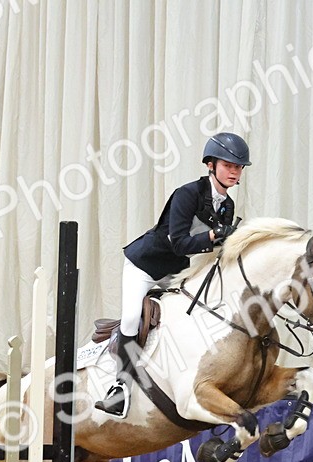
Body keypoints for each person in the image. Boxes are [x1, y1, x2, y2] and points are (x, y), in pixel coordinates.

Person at [94, 132, 251, 418]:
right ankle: (120, 387)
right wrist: (214, 235)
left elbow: (215, 249)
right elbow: (178, 242)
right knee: (131, 318)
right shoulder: (187, 194)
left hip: (176, 272)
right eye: (228, 165)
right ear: (210, 165)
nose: (234, 171)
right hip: (146, 265)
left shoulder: (227, 206)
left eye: (238, 167)